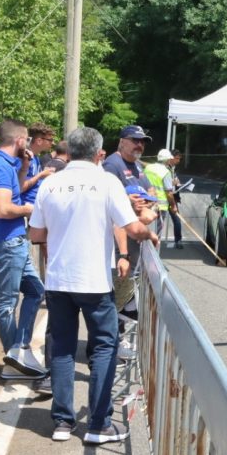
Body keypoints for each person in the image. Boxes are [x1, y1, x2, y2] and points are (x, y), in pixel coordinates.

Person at [28, 127, 158, 444]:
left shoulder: (50, 183)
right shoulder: (106, 182)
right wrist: (150, 223)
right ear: (99, 153)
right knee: (103, 348)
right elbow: (132, 227)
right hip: (94, 281)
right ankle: (98, 425)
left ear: (70, 151)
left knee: (62, 348)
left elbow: (35, 235)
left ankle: (62, 422)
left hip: (58, 280)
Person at [0, 119, 47, 378]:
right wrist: (32, 209)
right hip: (5, 242)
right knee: (7, 303)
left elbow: (14, 190)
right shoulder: (0, 168)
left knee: (36, 290)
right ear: (19, 140)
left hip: (12, 240)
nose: (28, 144)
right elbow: (3, 209)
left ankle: (18, 350)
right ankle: (13, 360)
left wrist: (25, 165)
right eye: (26, 140)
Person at [102, 125, 157, 320]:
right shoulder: (112, 165)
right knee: (118, 298)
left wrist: (146, 206)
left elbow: (151, 191)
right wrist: (136, 210)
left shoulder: (137, 165)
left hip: (134, 243)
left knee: (130, 297)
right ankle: (113, 344)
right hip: (120, 246)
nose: (139, 145)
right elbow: (108, 203)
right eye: (135, 140)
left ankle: (120, 341)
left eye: (142, 141)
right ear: (122, 141)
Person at [20, 123, 57, 205]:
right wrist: (41, 175)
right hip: (26, 209)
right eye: (50, 140)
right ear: (39, 141)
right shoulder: (25, 157)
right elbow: (20, 187)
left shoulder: (35, 157)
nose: (53, 143)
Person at [144, 149, 177, 239]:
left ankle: (145, 252)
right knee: (156, 234)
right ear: (167, 160)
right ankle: (154, 252)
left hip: (146, 204)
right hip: (160, 208)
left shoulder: (148, 168)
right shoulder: (165, 172)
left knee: (146, 231)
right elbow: (169, 193)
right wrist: (173, 206)